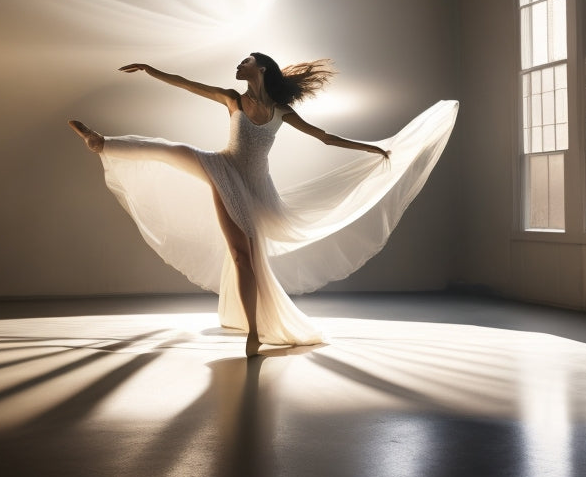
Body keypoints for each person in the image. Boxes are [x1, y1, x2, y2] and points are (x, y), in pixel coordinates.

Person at [69, 54, 458, 357]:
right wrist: (152, 70)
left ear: (263, 68)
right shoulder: (232, 99)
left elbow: (324, 137)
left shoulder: (281, 113)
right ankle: (102, 143)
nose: (239, 65)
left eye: (246, 60)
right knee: (173, 151)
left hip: (256, 191)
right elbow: (188, 85)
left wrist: (373, 148)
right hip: (222, 167)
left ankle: (254, 332)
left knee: (245, 257)